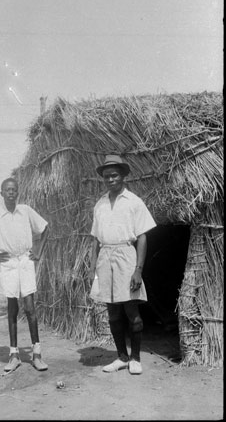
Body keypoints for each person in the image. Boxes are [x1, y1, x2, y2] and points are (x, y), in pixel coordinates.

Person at [0, 178, 50, 372]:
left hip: (25, 261)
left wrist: (38, 251)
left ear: (18, 193)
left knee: (30, 308)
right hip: (7, 264)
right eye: (7, 190)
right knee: (12, 308)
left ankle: (37, 353)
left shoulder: (25, 210)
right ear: (1, 193)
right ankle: (14, 354)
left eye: (14, 190)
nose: (11, 193)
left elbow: (45, 228)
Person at [89, 155, 156, 375]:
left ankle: (135, 358)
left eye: (114, 175)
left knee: (131, 310)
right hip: (105, 258)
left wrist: (138, 269)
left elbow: (142, 237)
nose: (110, 179)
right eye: (106, 176)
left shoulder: (134, 202)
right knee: (113, 313)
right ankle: (121, 357)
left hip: (126, 256)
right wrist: (93, 269)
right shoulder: (100, 204)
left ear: (123, 176)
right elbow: (94, 240)